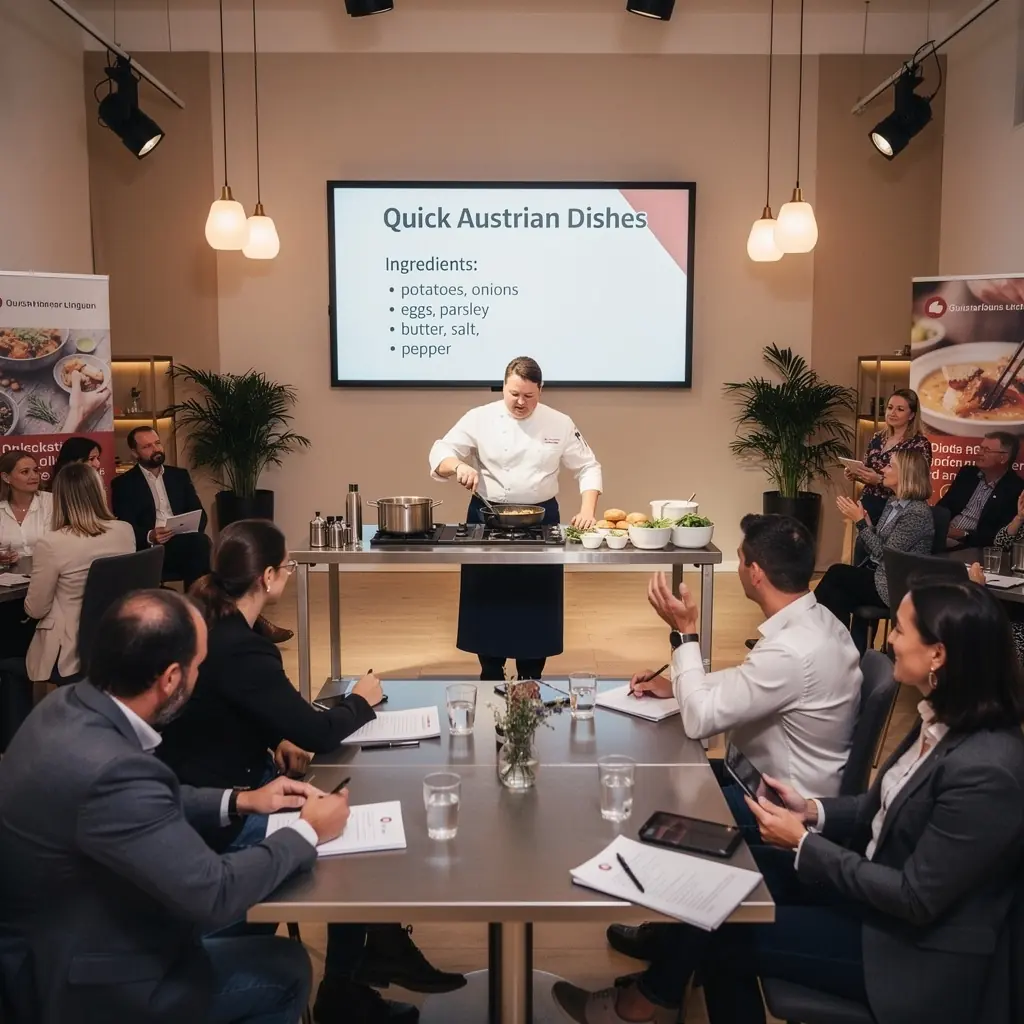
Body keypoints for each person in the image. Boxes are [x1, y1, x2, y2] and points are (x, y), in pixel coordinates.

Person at [557, 580, 1024, 1024]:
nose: (891, 641)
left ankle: (645, 1001)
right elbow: (878, 811)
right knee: (717, 868)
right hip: (871, 899)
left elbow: (915, 899)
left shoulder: (987, 770)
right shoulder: (939, 721)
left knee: (722, 932)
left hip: (910, 953)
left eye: (900, 630)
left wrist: (803, 842)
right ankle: (652, 995)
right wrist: (812, 811)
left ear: (938, 655)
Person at [0, 588, 353, 1024]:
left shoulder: (64, 706)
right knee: (286, 969)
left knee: (261, 902)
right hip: (88, 984)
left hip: (55, 938)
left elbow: (131, 805)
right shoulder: (112, 771)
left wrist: (240, 800)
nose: (199, 677)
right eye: (198, 666)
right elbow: (214, 892)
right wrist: (307, 831)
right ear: (170, 679)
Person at [159, 519, 462, 1020]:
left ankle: (370, 956)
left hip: (222, 783)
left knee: (342, 809)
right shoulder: (242, 645)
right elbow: (319, 733)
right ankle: (348, 983)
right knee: (344, 839)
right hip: (217, 813)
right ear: (270, 576)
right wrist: (361, 701)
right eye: (290, 568)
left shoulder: (215, 622)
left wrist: (273, 736)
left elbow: (221, 708)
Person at [628, 514, 861, 823]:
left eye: (740, 560)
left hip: (777, 811)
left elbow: (700, 721)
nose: (738, 567)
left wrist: (686, 633)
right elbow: (750, 682)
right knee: (654, 781)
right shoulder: (820, 622)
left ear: (755, 573)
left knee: (644, 804)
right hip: (760, 784)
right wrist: (675, 687)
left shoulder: (791, 651)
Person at [428, 356, 602, 681]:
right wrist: (459, 466)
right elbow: (440, 451)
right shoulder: (479, 418)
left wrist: (588, 510)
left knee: (536, 605)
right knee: (488, 602)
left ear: (541, 391)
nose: (520, 402)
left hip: (542, 518)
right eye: (513, 394)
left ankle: (531, 680)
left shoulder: (560, 423)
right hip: (488, 516)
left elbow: (588, 466)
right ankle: (490, 675)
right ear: (504, 386)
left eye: (529, 396)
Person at [111, 425, 292, 644]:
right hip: (152, 549)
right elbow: (125, 526)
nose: (155, 448)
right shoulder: (123, 484)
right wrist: (150, 535)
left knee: (198, 545)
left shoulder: (178, 476)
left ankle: (202, 623)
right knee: (202, 549)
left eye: (157, 443)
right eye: (147, 446)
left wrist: (186, 526)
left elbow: (200, 515)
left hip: (184, 540)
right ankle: (244, 620)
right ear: (134, 452)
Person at [22, 463, 135, 682]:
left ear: (60, 499)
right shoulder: (125, 530)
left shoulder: (51, 543)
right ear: (98, 491)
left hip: (71, 649)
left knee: (9, 652)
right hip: (119, 638)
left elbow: (35, 609)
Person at [814, 449, 934, 652]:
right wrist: (868, 524)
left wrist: (860, 523)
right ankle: (831, 651)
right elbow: (878, 545)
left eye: (889, 466)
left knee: (837, 574)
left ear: (905, 474)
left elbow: (887, 555)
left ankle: (819, 646)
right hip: (878, 573)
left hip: (895, 584)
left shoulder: (917, 513)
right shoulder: (893, 502)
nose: (883, 470)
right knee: (834, 596)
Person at [843, 388, 932, 524]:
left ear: (912, 415)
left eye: (900, 409)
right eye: (890, 408)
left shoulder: (919, 444)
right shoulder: (878, 437)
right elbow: (868, 471)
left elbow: (915, 484)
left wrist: (879, 480)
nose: (892, 413)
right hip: (868, 506)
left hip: (896, 511)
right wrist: (856, 474)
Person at [937, 431, 1024, 550]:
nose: (979, 453)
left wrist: (964, 535)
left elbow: (998, 535)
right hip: (943, 534)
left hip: (972, 546)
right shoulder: (967, 474)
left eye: (986, 450)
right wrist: (942, 527)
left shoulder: (1015, 489)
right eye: (980, 448)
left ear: (1003, 458)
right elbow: (943, 506)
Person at [0, 449, 53, 557]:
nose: (34, 476)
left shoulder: (51, 501)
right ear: (6, 477)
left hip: (46, 569)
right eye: (25, 472)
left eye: (36, 470)